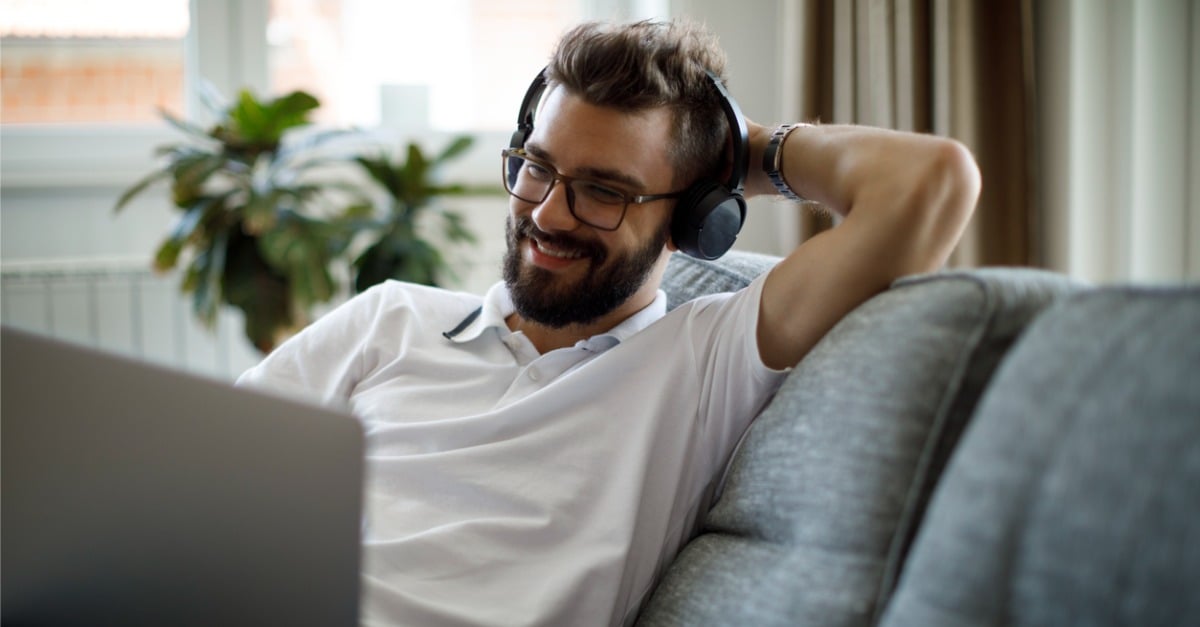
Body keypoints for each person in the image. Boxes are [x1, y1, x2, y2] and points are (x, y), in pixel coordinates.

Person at [237, 19, 979, 627]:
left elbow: (932, 182)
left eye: (604, 191)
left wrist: (744, 150)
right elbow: (206, 481)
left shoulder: (702, 364)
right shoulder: (387, 319)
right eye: (537, 166)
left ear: (694, 221)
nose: (549, 214)